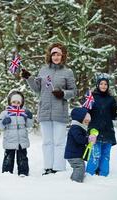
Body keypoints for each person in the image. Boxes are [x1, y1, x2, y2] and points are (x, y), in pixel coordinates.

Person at [21, 43, 76, 175]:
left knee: (59, 141)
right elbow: (37, 89)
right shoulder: (43, 70)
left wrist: (63, 93)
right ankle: (48, 167)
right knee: (47, 142)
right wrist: (29, 78)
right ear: (49, 56)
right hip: (44, 110)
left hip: (60, 111)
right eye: (53, 54)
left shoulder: (67, 72)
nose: (56, 57)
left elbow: (73, 91)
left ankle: (59, 168)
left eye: (58, 54)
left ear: (62, 56)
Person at [85, 76, 117, 176]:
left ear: (108, 86)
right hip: (94, 130)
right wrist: (86, 109)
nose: (103, 86)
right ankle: (90, 174)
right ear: (97, 85)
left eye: (105, 84)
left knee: (105, 155)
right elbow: (86, 113)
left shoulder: (111, 99)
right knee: (95, 154)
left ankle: (103, 174)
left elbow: (114, 116)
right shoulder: (92, 97)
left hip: (108, 130)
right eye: (101, 84)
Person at [0, 91, 33, 177]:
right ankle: (7, 172)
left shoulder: (23, 112)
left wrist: (30, 118)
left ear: (21, 103)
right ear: (10, 102)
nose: (16, 104)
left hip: (21, 140)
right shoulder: (5, 113)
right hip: (10, 139)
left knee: (22, 157)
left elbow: (29, 125)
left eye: (18, 102)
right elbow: (0, 125)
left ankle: (23, 172)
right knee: (9, 157)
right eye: (13, 102)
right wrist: (4, 122)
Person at [64, 107, 96, 183]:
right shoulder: (75, 128)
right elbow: (79, 139)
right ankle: (76, 181)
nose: (87, 124)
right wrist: (88, 139)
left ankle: (75, 178)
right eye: (86, 121)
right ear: (80, 119)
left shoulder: (79, 127)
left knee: (79, 167)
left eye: (88, 122)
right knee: (79, 167)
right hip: (73, 155)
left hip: (75, 154)